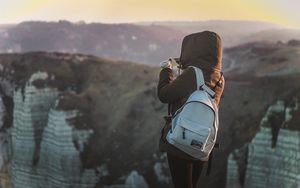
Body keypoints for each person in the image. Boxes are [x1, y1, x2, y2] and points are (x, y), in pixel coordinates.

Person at [157, 31, 225, 188]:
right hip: (202, 142)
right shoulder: (220, 78)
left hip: (182, 139)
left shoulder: (192, 74)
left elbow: (164, 95)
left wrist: (166, 70)